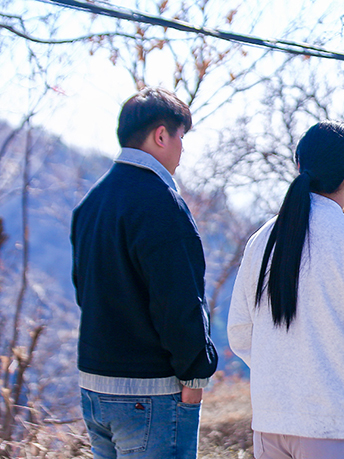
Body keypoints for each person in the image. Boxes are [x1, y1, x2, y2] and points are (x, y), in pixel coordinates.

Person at [227, 121, 344, 459]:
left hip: (273, 423)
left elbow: (241, 334)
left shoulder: (261, 241)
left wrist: (287, 371)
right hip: (342, 424)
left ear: (299, 165)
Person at [71, 87, 218, 459]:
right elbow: (179, 301)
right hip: (149, 393)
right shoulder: (162, 203)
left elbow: (83, 291)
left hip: (95, 385)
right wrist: (195, 376)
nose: (182, 151)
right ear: (161, 135)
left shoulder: (92, 202)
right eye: (181, 137)